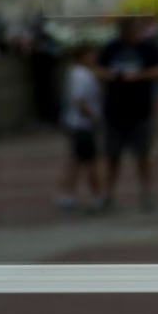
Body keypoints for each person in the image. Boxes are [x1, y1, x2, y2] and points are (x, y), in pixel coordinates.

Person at [95, 16, 158, 211]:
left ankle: (147, 194)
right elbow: (98, 68)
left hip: (140, 110)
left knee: (143, 155)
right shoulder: (111, 48)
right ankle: (108, 195)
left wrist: (139, 75)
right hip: (115, 110)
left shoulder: (148, 48)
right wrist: (110, 75)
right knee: (112, 156)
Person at [56, 43, 104, 210]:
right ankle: (96, 194)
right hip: (81, 125)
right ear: (83, 56)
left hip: (79, 124)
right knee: (87, 161)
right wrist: (94, 117)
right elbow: (79, 101)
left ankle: (67, 194)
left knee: (76, 161)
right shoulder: (80, 75)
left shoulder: (79, 73)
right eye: (92, 54)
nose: (94, 58)